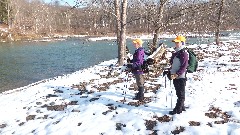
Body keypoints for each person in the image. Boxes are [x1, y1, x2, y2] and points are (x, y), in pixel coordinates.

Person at [169, 35, 188, 115]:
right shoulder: (177, 52)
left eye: (178, 42)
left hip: (180, 77)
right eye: (175, 42)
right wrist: (169, 71)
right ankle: (182, 107)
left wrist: (177, 74)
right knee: (179, 93)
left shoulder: (184, 53)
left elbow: (184, 66)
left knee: (180, 94)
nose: (176, 44)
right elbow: (173, 63)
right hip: (175, 76)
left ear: (182, 43)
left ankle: (178, 110)